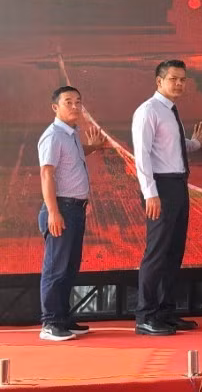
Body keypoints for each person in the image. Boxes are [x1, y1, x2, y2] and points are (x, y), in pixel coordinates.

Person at [131, 60, 202, 336]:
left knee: (174, 251)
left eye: (183, 79)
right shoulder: (148, 111)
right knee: (157, 252)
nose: (179, 84)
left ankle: (166, 312)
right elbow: (141, 156)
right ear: (159, 81)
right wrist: (150, 193)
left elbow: (171, 148)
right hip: (160, 187)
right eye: (173, 79)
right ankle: (145, 315)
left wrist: (195, 145)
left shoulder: (170, 111)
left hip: (178, 184)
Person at [37, 86, 106, 341]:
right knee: (56, 268)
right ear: (55, 107)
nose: (75, 107)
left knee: (68, 267)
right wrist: (54, 213)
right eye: (69, 102)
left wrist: (91, 147)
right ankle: (50, 323)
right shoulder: (53, 135)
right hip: (62, 209)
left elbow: (71, 158)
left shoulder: (72, 134)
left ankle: (63, 318)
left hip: (75, 209)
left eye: (78, 102)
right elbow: (47, 173)